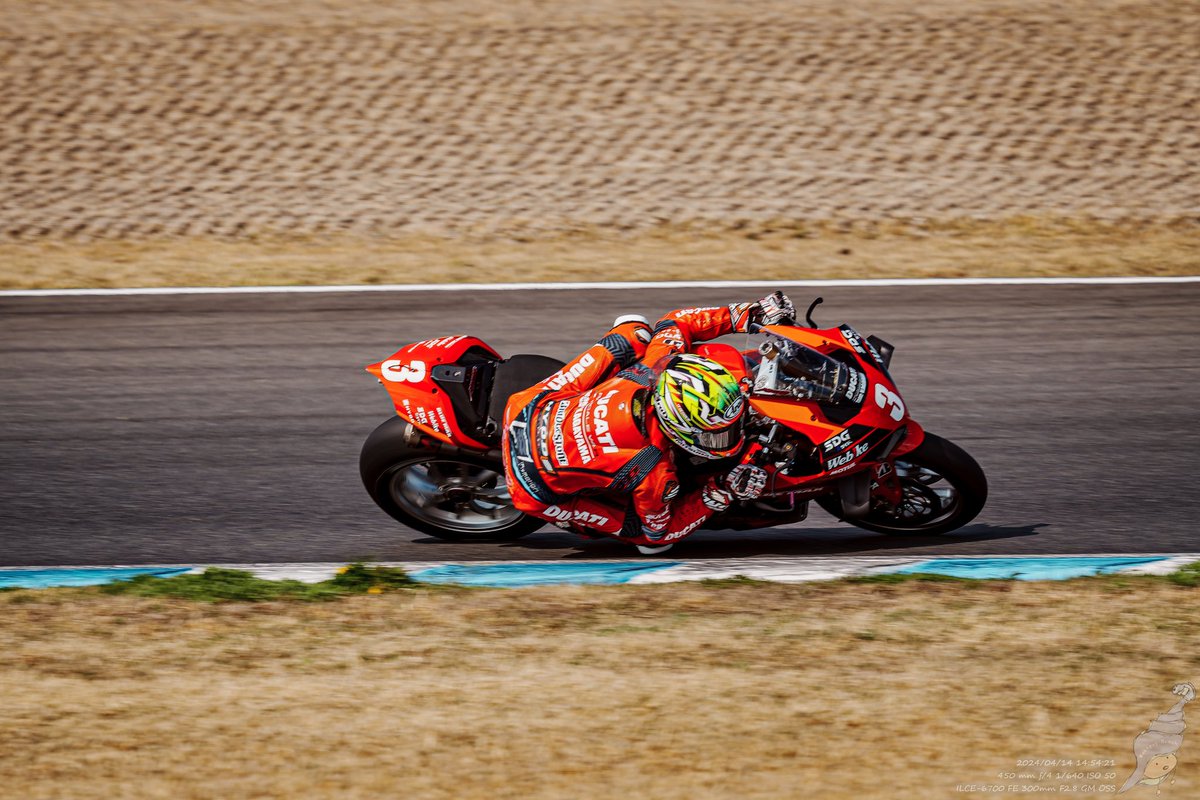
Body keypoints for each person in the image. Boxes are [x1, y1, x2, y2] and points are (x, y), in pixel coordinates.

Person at [501, 292, 796, 554]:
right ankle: (577, 517)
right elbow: (660, 532)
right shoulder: (654, 472)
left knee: (636, 331)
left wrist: (750, 313)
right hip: (532, 481)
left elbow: (676, 322)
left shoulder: (654, 367)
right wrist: (721, 490)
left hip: (530, 404)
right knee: (646, 541)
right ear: (676, 430)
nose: (729, 437)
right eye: (717, 434)